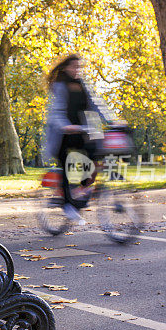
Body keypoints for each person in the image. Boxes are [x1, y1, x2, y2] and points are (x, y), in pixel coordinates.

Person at [42, 54, 118, 224]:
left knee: (96, 152)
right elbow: (55, 111)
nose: (77, 70)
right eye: (74, 67)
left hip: (82, 131)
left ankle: (82, 189)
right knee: (66, 161)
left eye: (79, 67)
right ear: (66, 68)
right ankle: (68, 205)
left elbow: (97, 104)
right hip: (62, 134)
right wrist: (66, 126)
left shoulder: (83, 85)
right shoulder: (59, 86)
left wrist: (112, 119)